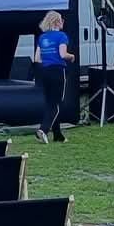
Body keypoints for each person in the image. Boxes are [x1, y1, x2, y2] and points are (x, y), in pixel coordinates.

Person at [34, 10, 71, 144]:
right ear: (57, 22)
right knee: (57, 103)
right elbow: (63, 54)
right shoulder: (62, 36)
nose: (63, 22)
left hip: (44, 72)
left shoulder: (42, 37)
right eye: (61, 20)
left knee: (50, 102)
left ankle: (57, 134)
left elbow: (37, 58)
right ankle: (43, 129)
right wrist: (72, 56)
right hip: (57, 71)